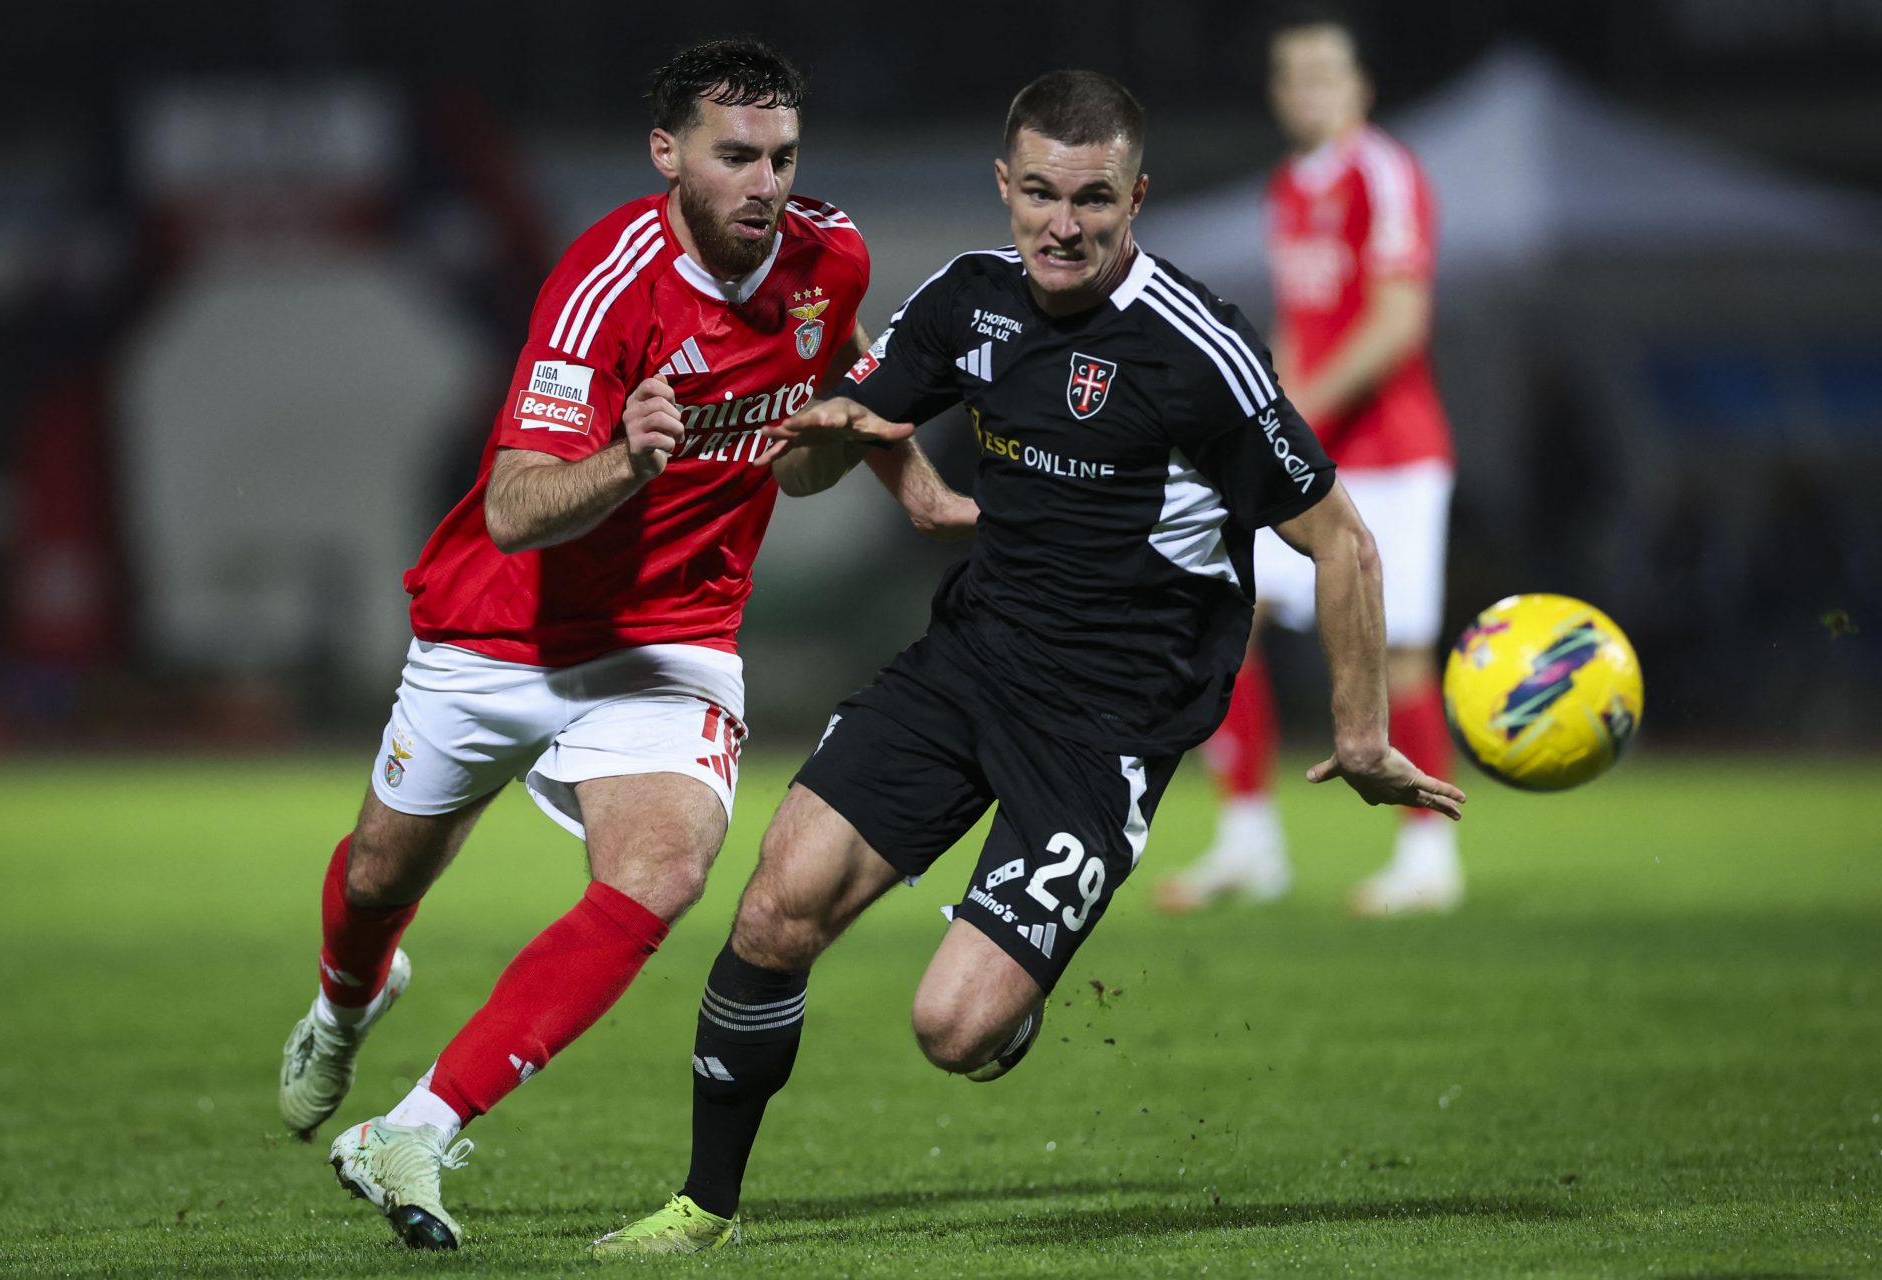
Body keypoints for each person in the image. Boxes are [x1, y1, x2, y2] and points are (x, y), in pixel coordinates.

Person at [592, 67, 1464, 1256]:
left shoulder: (1194, 351)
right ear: (1005, 188)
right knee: (777, 901)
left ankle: (1009, 1005)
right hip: (974, 657)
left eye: (1094, 199)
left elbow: (1344, 539)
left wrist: (1360, 735)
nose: (1065, 224)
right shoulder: (968, 301)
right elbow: (809, 462)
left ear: (1137, 199)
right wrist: (831, 444)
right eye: (1043, 193)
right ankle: (704, 1207)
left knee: (950, 1028)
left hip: (1109, 724)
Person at [275, 37, 969, 1251]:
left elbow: (810, 427)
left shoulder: (828, 257)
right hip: (504, 630)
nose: (766, 184)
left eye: (784, 158)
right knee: (383, 874)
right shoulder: (606, 283)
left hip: (674, 636)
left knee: (661, 870)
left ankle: (415, 1129)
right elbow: (513, 506)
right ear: (669, 155)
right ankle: (345, 1004)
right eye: (737, 156)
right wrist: (630, 460)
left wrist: (895, 470)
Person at [1154, 8, 1463, 917]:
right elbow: (1303, 321)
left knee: (1396, 650)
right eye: (1292, 76)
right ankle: (1250, 845)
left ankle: (1429, 855)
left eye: (1326, 73)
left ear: (1362, 86)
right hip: (1320, 452)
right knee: (1228, 620)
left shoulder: (1386, 172)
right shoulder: (1288, 187)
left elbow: (1400, 321)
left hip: (1394, 455)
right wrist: (1263, 409)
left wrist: (1299, 409)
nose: (1308, 90)